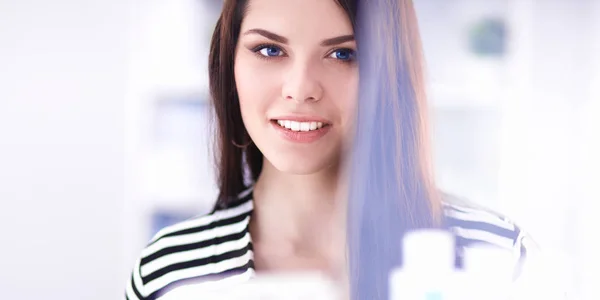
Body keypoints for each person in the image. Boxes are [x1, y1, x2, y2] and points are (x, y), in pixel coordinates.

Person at [125, 0, 537, 299]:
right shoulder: (171, 272)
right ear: (228, 64)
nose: (301, 88)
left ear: (390, 73)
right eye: (269, 50)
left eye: (343, 54)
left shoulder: (496, 256)